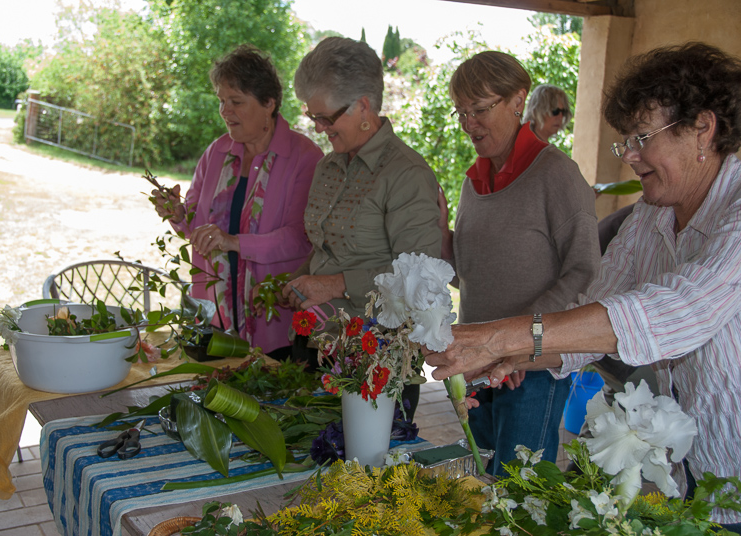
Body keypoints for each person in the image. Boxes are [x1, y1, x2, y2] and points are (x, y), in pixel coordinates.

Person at [426, 42, 741, 530]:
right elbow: (594, 312)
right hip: (698, 479)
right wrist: (504, 357)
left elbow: (681, 310)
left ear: (703, 127)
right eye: (625, 142)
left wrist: (502, 337)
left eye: (641, 138)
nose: (630, 157)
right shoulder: (650, 217)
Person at [437, 51, 600, 475]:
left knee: (520, 494)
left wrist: (519, 343)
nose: (468, 123)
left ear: (517, 100)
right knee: (481, 489)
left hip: (532, 369)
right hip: (480, 363)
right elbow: (470, 274)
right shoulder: (475, 181)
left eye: (479, 109)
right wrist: (439, 236)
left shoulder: (557, 174)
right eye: (460, 112)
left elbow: (584, 271)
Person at [280, 37, 441, 417]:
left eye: (326, 118)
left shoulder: (407, 174)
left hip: (375, 363)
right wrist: (300, 281)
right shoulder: (328, 165)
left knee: (361, 475)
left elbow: (419, 277)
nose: (319, 128)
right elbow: (326, 252)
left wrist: (334, 284)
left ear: (364, 106)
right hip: (317, 345)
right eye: (312, 116)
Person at [153, 45, 323, 359]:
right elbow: (195, 226)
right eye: (221, 101)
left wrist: (234, 242)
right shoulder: (215, 153)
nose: (225, 111)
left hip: (274, 323)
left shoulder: (305, 158)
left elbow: (301, 240)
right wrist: (178, 213)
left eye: (236, 102)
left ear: (269, 103)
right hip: (211, 319)